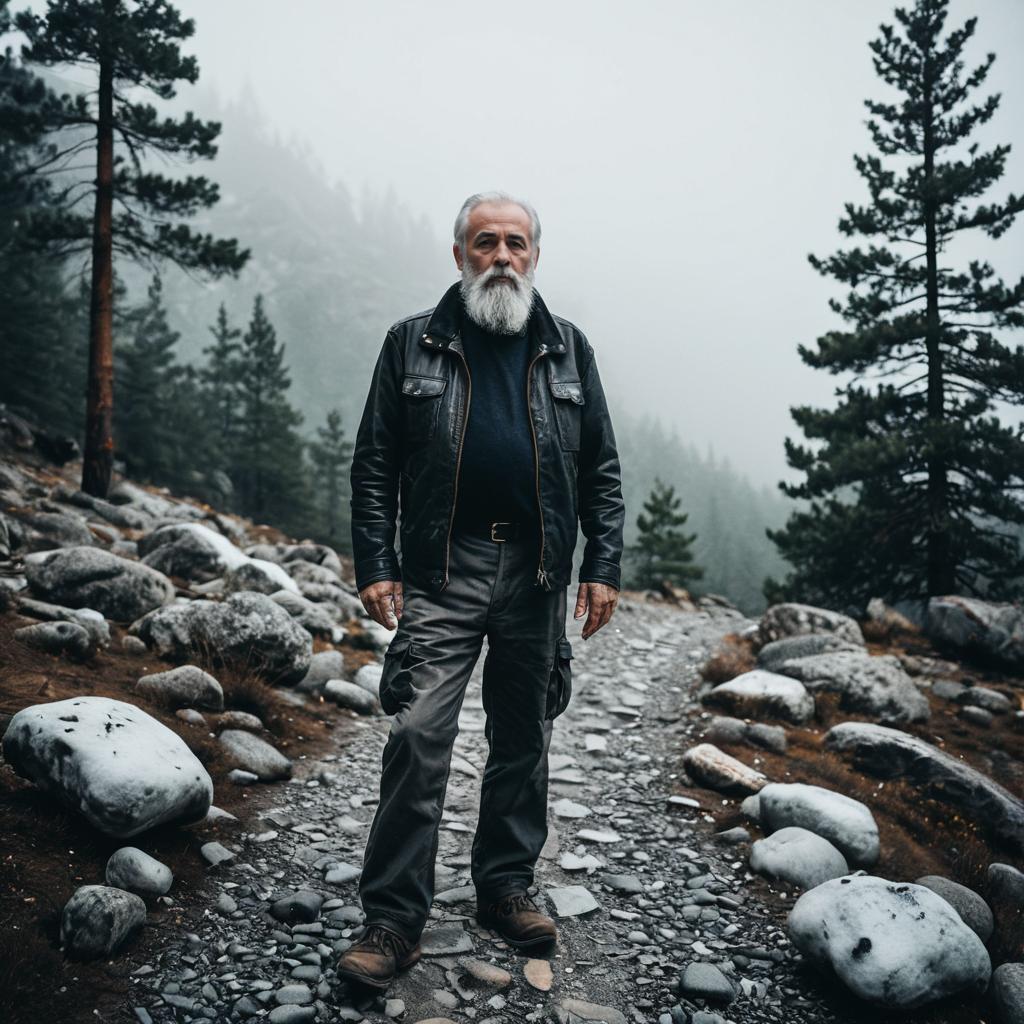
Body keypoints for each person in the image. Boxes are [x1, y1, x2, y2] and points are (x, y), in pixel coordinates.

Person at [338, 191, 625, 989]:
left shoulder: (569, 348)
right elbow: (375, 464)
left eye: (517, 243)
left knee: (524, 734)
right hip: (442, 567)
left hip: (537, 570)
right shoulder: (412, 343)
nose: (502, 256)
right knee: (419, 734)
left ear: (535, 256)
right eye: (486, 242)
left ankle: (504, 886)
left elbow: (600, 468)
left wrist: (602, 564)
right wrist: (377, 563)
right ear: (459, 254)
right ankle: (393, 919)